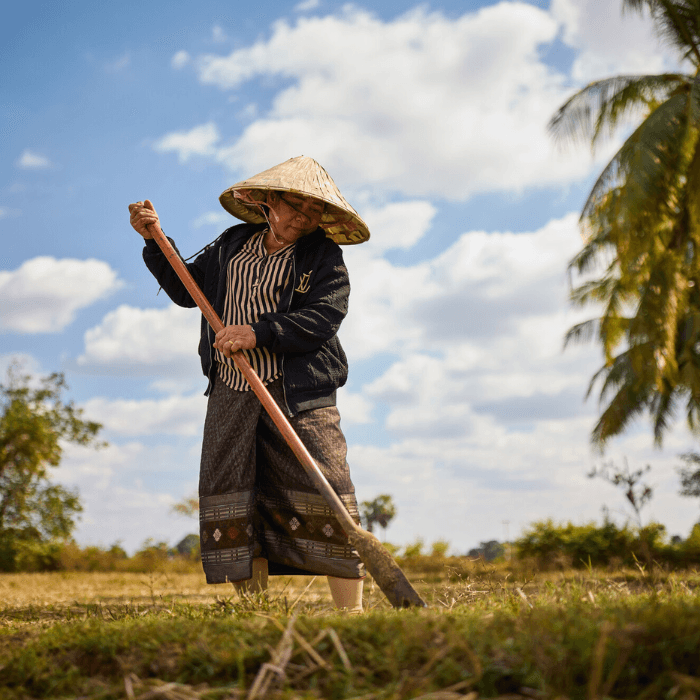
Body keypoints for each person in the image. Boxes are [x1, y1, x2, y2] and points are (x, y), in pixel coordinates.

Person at [128, 156, 371, 612]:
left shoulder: (323, 257)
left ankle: (351, 613)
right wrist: (155, 243)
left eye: (313, 209)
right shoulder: (231, 245)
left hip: (298, 392)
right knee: (236, 491)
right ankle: (254, 611)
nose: (303, 215)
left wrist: (257, 332)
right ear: (266, 202)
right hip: (231, 388)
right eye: (294, 204)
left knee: (329, 488)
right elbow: (187, 290)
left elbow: (324, 317)